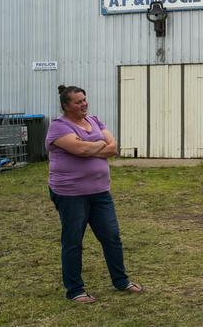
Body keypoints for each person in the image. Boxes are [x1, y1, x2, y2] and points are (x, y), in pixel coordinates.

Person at [46, 84, 142, 303]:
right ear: (66, 105)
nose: (84, 104)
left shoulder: (95, 121)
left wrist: (90, 146)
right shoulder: (58, 127)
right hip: (71, 194)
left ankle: (121, 281)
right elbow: (80, 149)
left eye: (84, 99)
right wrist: (97, 145)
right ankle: (75, 290)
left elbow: (112, 148)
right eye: (78, 101)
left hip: (100, 192)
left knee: (111, 237)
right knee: (73, 241)